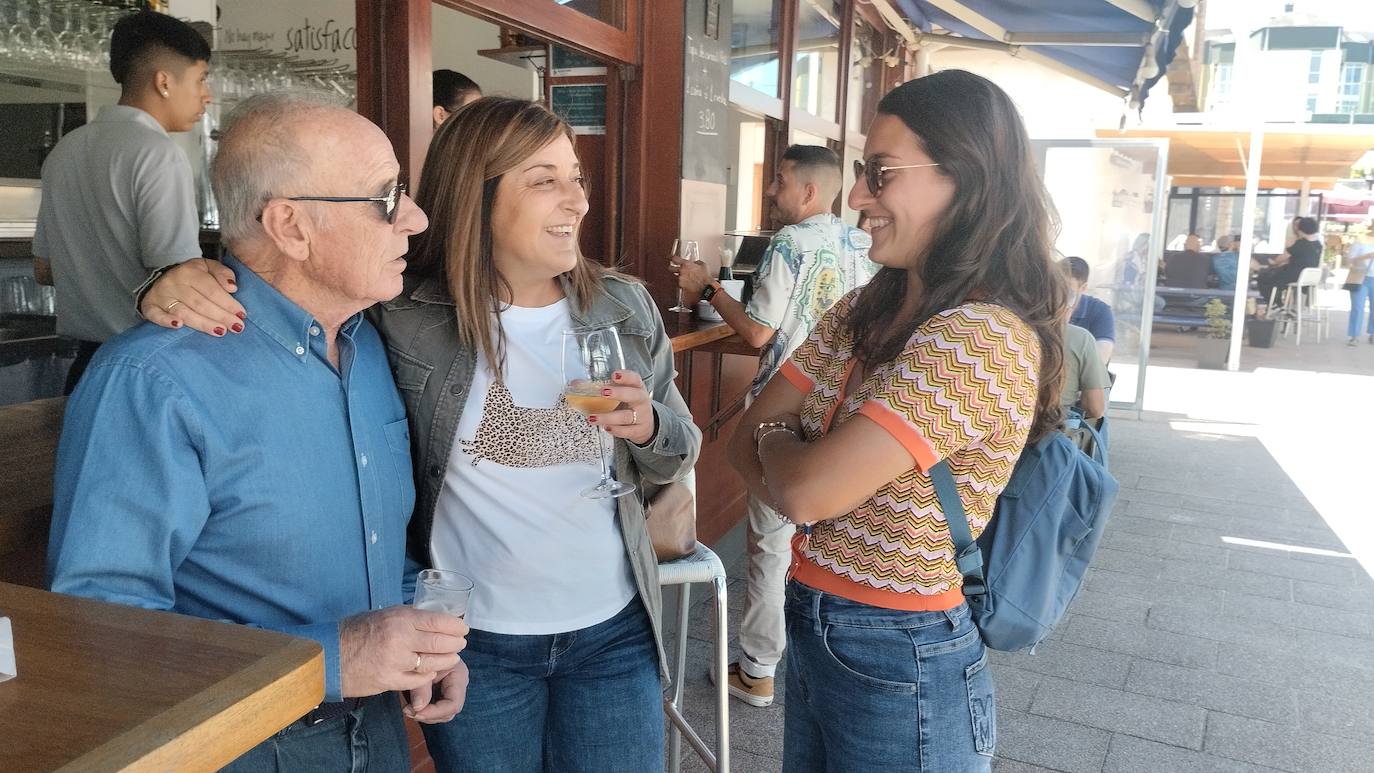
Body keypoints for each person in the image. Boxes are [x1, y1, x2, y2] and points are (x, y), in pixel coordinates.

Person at [144, 96, 702, 772]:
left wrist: (647, 427)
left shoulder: (623, 306)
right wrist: (169, 279)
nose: (577, 200)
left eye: (575, 176)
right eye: (544, 179)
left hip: (612, 631)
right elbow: (290, 290)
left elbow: (680, 448)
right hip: (476, 643)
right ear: (479, 196)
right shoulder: (402, 317)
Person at [48, 93, 469, 771]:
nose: (415, 220)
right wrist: (337, 657)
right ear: (290, 227)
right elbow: (100, 624)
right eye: (386, 196)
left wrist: (415, 636)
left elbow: (374, 546)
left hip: (381, 729)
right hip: (243, 745)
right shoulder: (155, 380)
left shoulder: (369, 349)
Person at [729, 70, 1066, 772]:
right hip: (813, 616)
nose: (855, 197)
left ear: (963, 180)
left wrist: (782, 441)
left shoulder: (980, 335)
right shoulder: (863, 308)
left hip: (903, 646)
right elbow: (737, 445)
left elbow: (803, 493)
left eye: (879, 174)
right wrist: (781, 447)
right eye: (860, 172)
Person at [672, 144, 874, 708]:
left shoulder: (790, 243)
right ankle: (823, 654)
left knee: (771, 543)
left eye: (779, 180)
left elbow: (758, 332)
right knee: (829, 537)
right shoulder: (862, 244)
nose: (770, 190)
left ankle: (758, 669)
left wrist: (706, 288)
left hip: (787, 414)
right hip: (846, 412)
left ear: (808, 191)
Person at [32, 9, 215, 394]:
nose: (206, 96)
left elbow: (44, 271)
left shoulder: (65, 150)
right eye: (201, 79)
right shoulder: (157, 153)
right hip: (147, 366)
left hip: (83, 368)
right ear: (164, 82)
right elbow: (178, 281)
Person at [1257, 216, 1321, 307]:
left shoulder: (1301, 244)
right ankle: (1279, 304)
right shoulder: (1318, 245)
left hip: (1293, 275)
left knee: (1264, 277)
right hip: (1307, 278)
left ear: (1302, 229)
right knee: (1274, 278)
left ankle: (1275, 304)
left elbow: (1281, 258)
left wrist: (1272, 261)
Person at [1062, 256, 1115, 363]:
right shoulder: (1041, 306)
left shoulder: (1100, 311)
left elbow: (1100, 361)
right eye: (1055, 285)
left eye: (1067, 290)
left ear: (1083, 288)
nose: (1059, 294)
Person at [1062, 323, 1110, 419]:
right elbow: (1095, 410)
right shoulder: (1079, 337)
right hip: (1057, 425)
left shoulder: (1024, 332)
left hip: (1025, 424)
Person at [1345, 232, 1374, 346]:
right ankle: (1354, 336)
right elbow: (1350, 260)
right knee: (1357, 307)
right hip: (1360, 277)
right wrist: (1367, 256)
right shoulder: (1361, 239)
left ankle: (1373, 334)